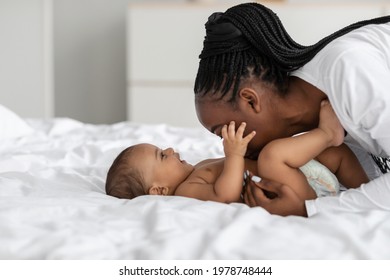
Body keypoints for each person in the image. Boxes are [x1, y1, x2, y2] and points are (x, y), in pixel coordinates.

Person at [193, 2, 390, 216]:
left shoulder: (350, 75)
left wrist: (308, 209)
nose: (227, 143)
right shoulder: (325, 124)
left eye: (223, 131)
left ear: (250, 100)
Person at [105, 101, 368, 205]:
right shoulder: (187, 191)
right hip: (293, 190)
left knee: (335, 154)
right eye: (162, 155)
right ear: (159, 190)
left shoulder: (200, 167)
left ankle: (370, 189)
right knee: (271, 157)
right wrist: (233, 156)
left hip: (301, 174)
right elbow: (226, 193)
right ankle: (326, 133)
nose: (171, 149)